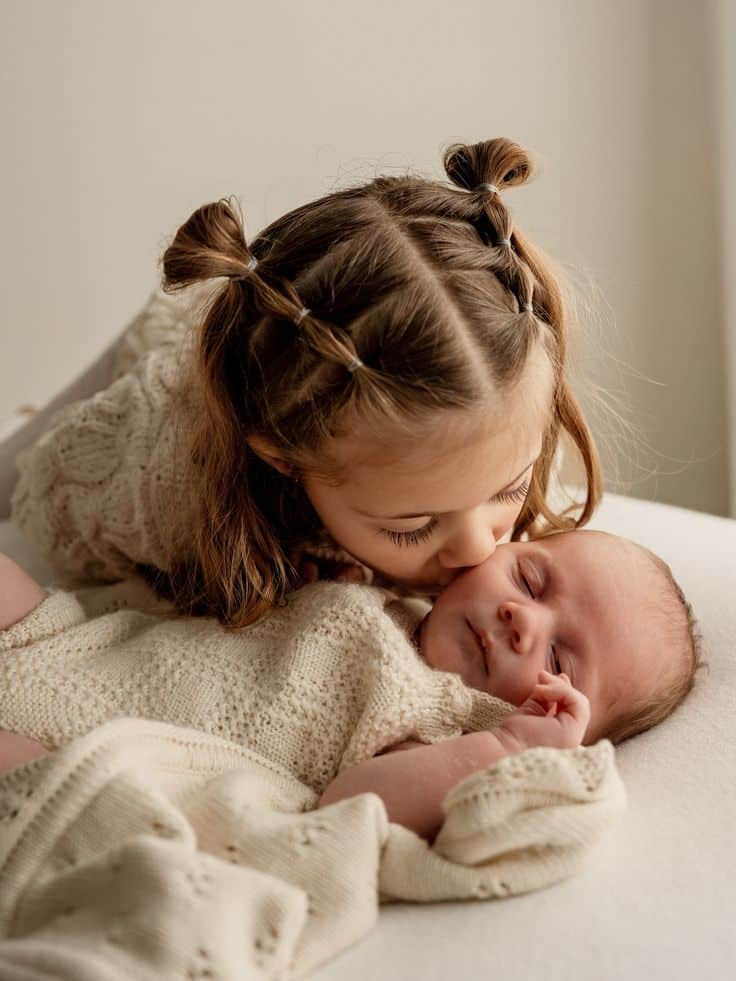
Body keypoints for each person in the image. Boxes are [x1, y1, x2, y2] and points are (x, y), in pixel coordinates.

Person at [11, 138, 601, 629]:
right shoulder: (152, 478)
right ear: (282, 457)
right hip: (156, 369)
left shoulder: (499, 425)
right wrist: (188, 579)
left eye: (507, 491)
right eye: (412, 526)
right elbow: (41, 509)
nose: (479, 548)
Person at [0, 528, 699, 839]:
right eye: (532, 579)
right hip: (72, 638)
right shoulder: (385, 588)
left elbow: (354, 803)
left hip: (87, 755)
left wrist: (512, 748)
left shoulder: (447, 728)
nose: (523, 620)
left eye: (562, 659)